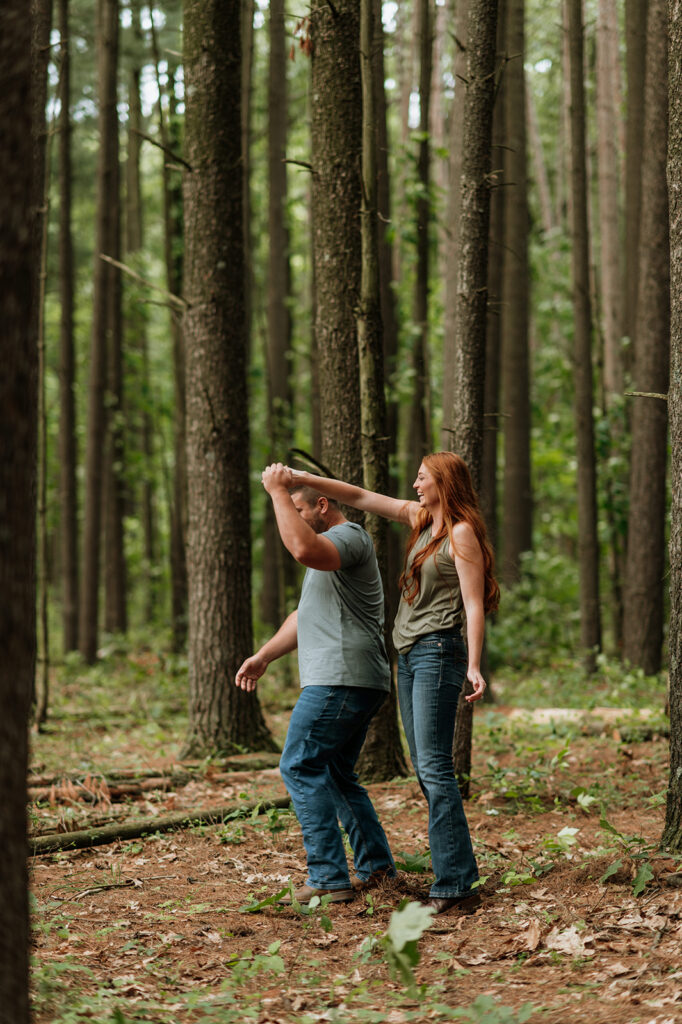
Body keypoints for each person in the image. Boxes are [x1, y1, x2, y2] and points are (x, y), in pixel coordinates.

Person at [287, 452, 500, 916]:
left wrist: (475, 664)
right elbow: (360, 496)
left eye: (422, 478)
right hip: (409, 655)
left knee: (434, 769)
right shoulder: (421, 519)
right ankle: (454, 877)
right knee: (426, 769)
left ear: (444, 482)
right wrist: (301, 478)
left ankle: (457, 884)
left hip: (439, 651)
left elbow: (473, 603)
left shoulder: (460, 534)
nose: (415, 484)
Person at [235, 464, 396, 905]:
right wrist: (264, 655)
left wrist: (275, 492)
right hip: (353, 679)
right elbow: (303, 616)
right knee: (336, 773)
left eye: (299, 508)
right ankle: (377, 869)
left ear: (322, 506)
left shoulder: (348, 538)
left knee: (299, 765)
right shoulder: (329, 549)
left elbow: (303, 550)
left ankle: (327, 879)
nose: (294, 515)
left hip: (340, 679)